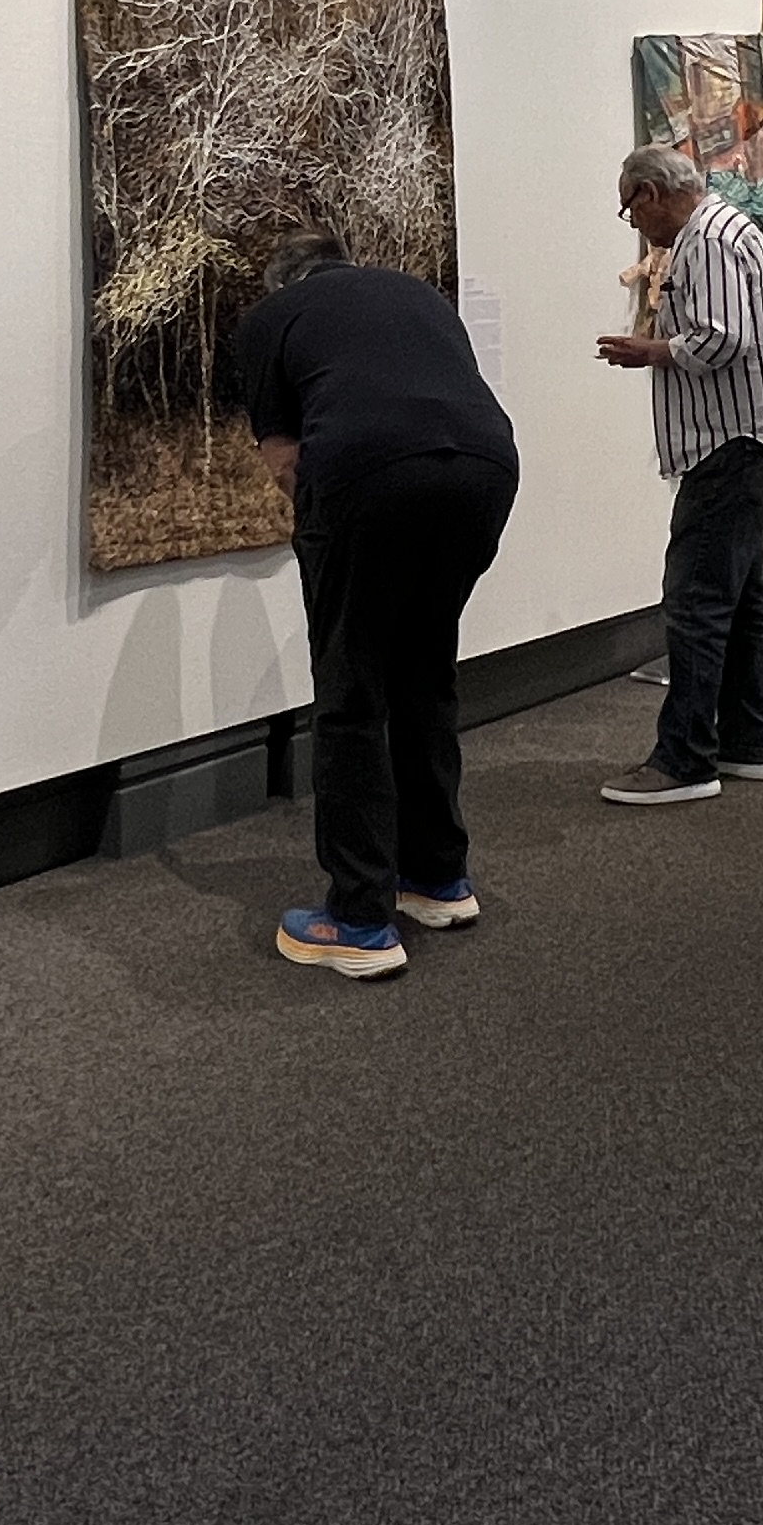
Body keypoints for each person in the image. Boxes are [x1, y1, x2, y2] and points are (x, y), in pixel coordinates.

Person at [236, 232, 520, 979]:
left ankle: (360, 918)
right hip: (487, 468)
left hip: (368, 473)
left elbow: (287, 460)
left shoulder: (272, 317)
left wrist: (327, 540)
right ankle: (437, 878)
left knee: (351, 690)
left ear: (282, 283)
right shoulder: (418, 294)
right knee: (424, 669)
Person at [591, 145, 763, 804]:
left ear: (652, 192)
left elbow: (721, 337)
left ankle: (684, 760)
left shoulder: (706, 239)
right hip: (746, 441)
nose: (632, 221)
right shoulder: (730, 228)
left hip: (728, 444)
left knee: (695, 602)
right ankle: (749, 742)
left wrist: (650, 350)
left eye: (630, 208)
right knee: (742, 598)